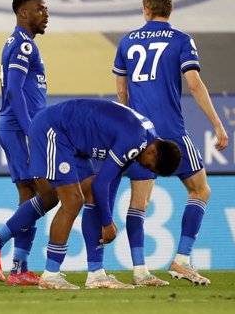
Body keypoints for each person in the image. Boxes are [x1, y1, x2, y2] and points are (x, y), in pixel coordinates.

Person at [112, 0, 229, 286]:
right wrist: (217, 124)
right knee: (200, 190)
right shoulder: (181, 40)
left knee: (138, 203)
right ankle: (182, 260)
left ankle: (139, 271)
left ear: (146, 10)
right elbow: (194, 85)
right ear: (169, 9)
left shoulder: (127, 41)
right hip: (171, 131)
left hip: (138, 133)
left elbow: (122, 93)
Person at [22, 99, 181, 289]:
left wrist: (107, 214)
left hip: (71, 137)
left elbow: (112, 179)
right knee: (72, 201)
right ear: (153, 152)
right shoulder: (136, 139)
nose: (142, 166)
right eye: (148, 165)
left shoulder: (148, 134)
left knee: (90, 196)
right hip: (55, 129)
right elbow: (101, 183)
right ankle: (50, 274)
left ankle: (96, 273)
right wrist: (107, 223)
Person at [0, 0, 48, 287]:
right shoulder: (21, 45)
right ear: (23, 14)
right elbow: (15, 91)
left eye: (46, 9)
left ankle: (19, 268)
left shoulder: (22, 43)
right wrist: (32, 130)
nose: (46, 14)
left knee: (28, 198)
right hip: (19, 127)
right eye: (40, 9)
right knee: (49, 194)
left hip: (17, 126)